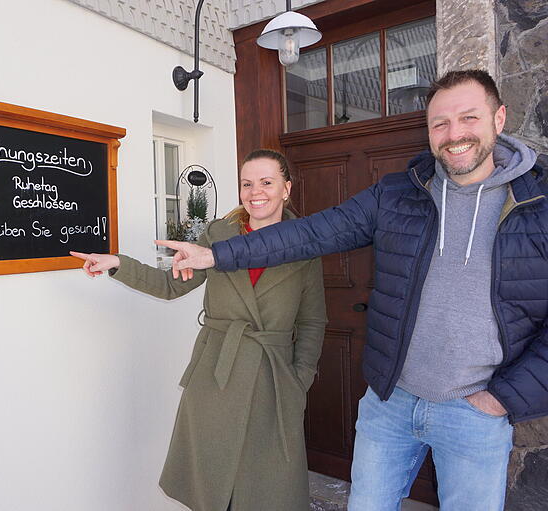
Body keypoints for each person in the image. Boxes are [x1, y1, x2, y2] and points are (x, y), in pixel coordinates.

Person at [157, 70, 548, 510]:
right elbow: (312, 233)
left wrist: (502, 399)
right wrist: (217, 255)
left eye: (468, 118)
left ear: (499, 118)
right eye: (440, 122)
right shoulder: (397, 194)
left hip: (475, 413)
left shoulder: (539, 207)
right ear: (428, 129)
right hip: (391, 403)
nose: (454, 134)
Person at [70, 149, 327, 511]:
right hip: (217, 373)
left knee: (269, 490)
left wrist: (300, 377)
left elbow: (313, 320)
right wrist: (117, 264)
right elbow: (170, 286)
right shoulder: (218, 234)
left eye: (267, 182)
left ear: (286, 188)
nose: (256, 192)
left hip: (274, 377)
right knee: (214, 483)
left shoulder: (306, 245)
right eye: (247, 184)